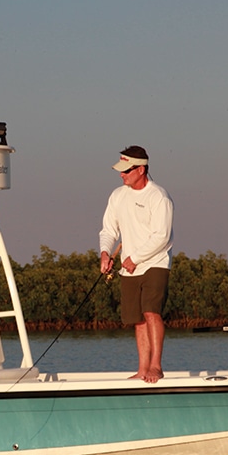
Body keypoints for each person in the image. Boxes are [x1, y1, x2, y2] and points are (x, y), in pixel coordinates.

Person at [99, 145, 174, 383]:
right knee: (137, 319)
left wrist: (135, 259)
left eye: (127, 170)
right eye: (120, 170)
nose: (122, 174)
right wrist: (104, 253)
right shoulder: (117, 196)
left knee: (151, 312)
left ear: (141, 169)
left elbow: (161, 236)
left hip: (156, 263)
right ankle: (142, 369)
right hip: (128, 267)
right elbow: (109, 230)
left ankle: (156, 366)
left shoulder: (159, 196)